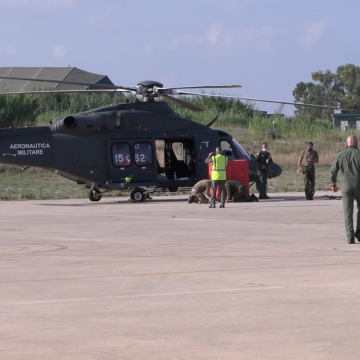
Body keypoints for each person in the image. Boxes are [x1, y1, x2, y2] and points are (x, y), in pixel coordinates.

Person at [330, 135, 360, 244]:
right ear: (357, 143)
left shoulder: (340, 155)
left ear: (347, 144)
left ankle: (350, 236)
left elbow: (333, 171)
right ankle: (359, 232)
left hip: (346, 186)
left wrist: (333, 184)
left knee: (348, 211)